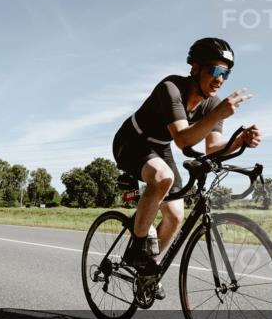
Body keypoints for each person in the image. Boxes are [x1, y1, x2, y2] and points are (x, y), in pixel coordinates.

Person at [112, 38, 261, 292]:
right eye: (214, 70)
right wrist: (218, 114)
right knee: (162, 177)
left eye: (225, 73)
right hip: (132, 140)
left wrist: (239, 141)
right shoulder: (171, 88)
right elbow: (183, 139)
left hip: (159, 147)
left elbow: (213, 147)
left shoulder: (212, 104)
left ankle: (147, 272)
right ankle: (137, 250)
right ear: (195, 67)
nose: (220, 79)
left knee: (176, 215)